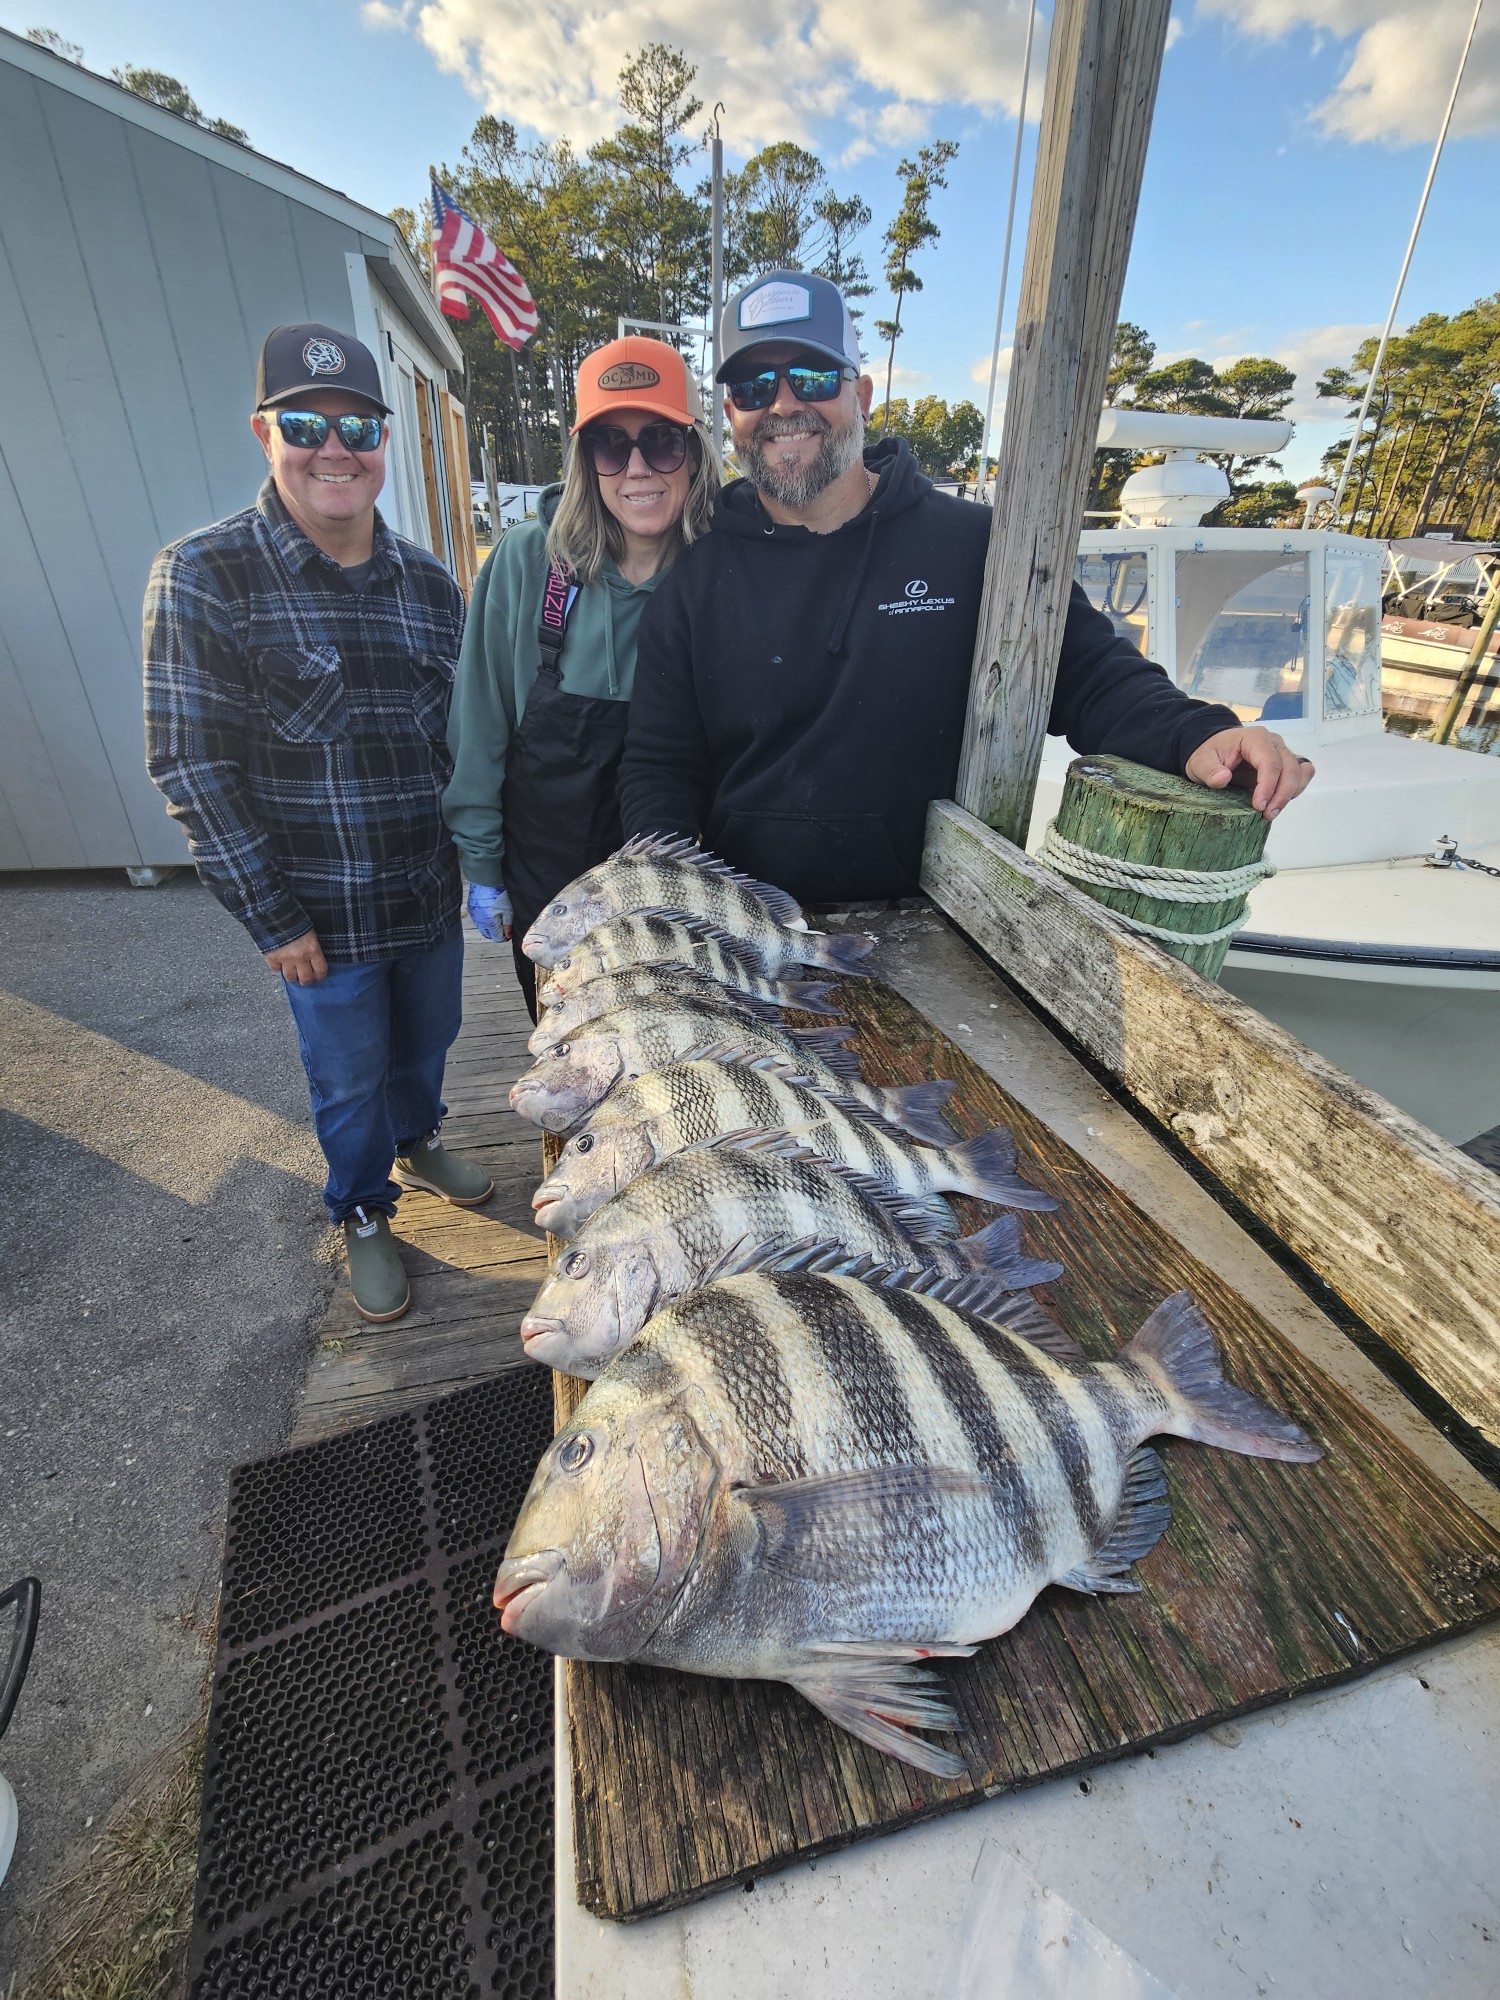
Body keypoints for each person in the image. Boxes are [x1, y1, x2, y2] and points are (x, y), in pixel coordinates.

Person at [618, 271, 1314, 905]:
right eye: (752, 388)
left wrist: (1199, 734)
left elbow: (1090, 674)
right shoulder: (697, 576)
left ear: (861, 394)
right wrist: (674, 901)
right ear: (731, 416)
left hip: (941, 925)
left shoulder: (976, 544)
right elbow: (659, 767)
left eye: (812, 377)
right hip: (751, 932)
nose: (783, 405)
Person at [143, 322, 492, 1327]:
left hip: (425, 900)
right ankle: (365, 1206)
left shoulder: (429, 583)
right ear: (265, 431)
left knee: (429, 1045)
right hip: (319, 923)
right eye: (307, 422)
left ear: (383, 440)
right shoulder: (205, 575)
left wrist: (481, 866)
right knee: (347, 1085)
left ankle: (420, 1139)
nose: (334, 447)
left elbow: (464, 744)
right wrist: (273, 918)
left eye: (357, 426)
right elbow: (192, 765)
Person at [443, 336, 720, 1017]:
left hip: (680, 891)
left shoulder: (722, 574)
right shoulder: (526, 563)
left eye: (660, 441)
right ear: (583, 461)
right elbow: (479, 725)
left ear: (693, 453)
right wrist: (481, 867)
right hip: (551, 883)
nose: (637, 469)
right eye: (608, 445)